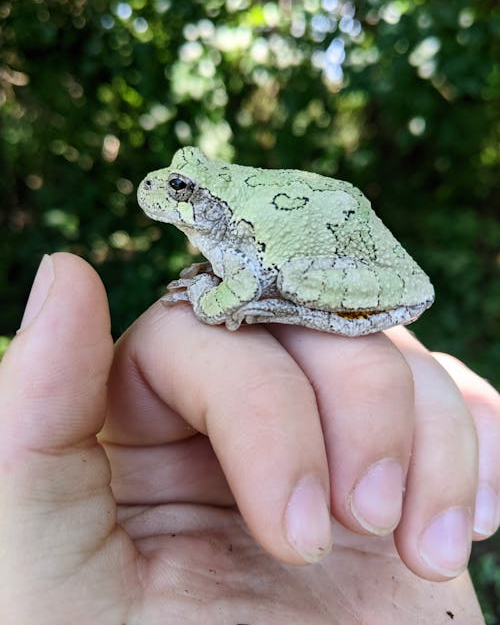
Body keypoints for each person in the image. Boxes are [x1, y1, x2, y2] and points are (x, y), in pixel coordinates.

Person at [0, 252, 497, 624]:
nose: (158, 191)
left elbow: (231, 296)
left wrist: (208, 295)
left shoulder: (236, 241)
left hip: (318, 258)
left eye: (181, 191)